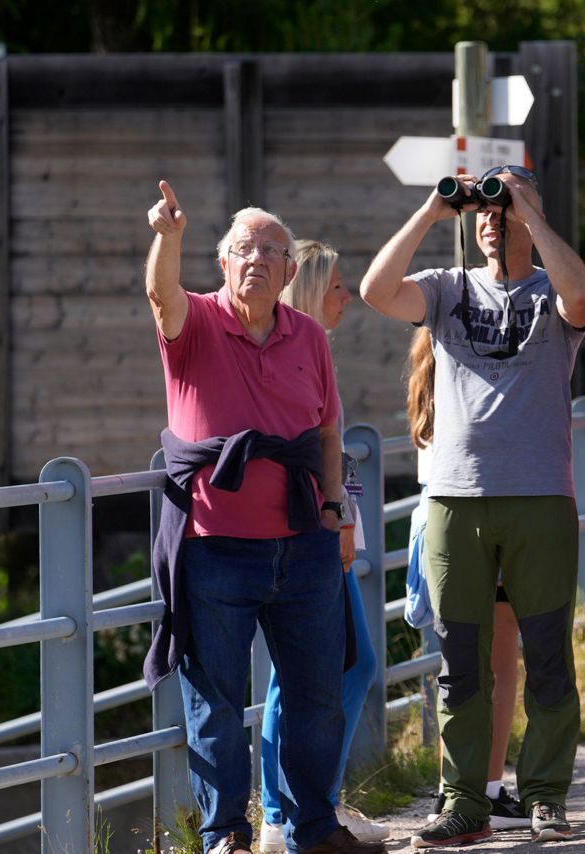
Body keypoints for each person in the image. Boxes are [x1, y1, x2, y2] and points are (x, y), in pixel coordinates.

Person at [359, 166, 585, 847]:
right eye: (484, 212)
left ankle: (546, 795)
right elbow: (377, 290)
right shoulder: (445, 289)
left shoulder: (553, 292)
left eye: (506, 208)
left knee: (547, 654)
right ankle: (465, 802)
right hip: (455, 500)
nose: (491, 218)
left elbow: (584, 295)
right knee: (459, 662)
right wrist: (434, 212)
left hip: (540, 498)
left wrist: (527, 207)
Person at [142, 182, 384, 854]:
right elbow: (160, 295)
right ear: (224, 263)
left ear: (287, 272)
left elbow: (328, 430)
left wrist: (335, 510)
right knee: (215, 702)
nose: (258, 259)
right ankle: (226, 836)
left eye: (272, 252)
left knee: (318, 695)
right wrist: (168, 236)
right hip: (216, 544)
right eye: (245, 248)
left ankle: (312, 826)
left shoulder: (306, 334)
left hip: (304, 540)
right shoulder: (192, 324)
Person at [258, 241, 391, 852]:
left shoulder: (312, 348)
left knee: (325, 670)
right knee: (319, 671)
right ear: (312, 289)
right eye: (338, 285)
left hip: (321, 522)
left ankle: (302, 810)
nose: (349, 296)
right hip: (304, 527)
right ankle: (291, 814)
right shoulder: (296, 351)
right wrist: (335, 521)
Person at [403, 327, 532, 832]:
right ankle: (490, 790)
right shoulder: (473, 372)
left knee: (457, 666)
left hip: (438, 520)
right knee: (500, 665)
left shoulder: (427, 369)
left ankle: (451, 788)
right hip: (485, 509)